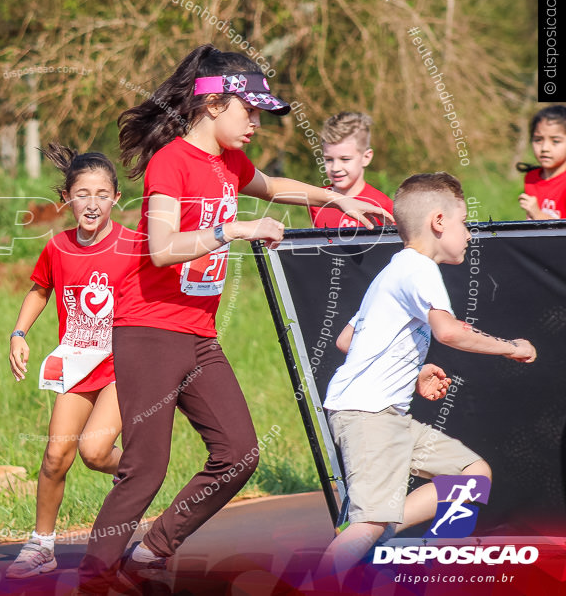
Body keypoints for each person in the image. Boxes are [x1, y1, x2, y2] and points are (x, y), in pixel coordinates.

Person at [75, 45, 392, 594]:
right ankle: (94, 577)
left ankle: (153, 548)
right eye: (250, 113)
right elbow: (161, 248)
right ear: (214, 104)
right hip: (150, 329)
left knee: (239, 454)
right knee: (146, 467)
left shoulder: (229, 164)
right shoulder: (170, 161)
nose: (256, 125)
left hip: (198, 332)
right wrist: (234, 230)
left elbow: (273, 187)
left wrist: (335, 200)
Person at [319, 172, 536, 577]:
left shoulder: (394, 270)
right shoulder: (418, 269)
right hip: (368, 414)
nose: (469, 234)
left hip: (390, 414)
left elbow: (349, 340)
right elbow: (449, 332)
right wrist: (512, 348)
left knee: (474, 476)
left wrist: (413, 371)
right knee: (371, 524)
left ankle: (386, 536)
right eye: (463, 223)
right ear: (439, 221)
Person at [6, 144, 138, 579]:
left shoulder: (134, 245)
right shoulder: (58, 247)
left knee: (95, 452)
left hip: (122, 367)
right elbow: (40, 290)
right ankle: (42, 545)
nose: (93, 203)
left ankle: (142, 473)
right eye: (82, 193)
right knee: (54, 457)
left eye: (102, 193)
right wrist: (19, 333)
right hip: (78, 364)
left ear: (116, 198)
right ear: (66, 198)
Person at [308, 112, 393, 228]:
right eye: (328, 160)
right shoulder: (317, 199)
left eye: (345, 159)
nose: (335, 168)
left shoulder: (383, 205)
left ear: (366, 157)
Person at [518, 105, 566, 220]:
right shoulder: (531, 178)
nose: (545, 148)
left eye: (555, 141)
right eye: (538, 140)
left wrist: (538, 215)